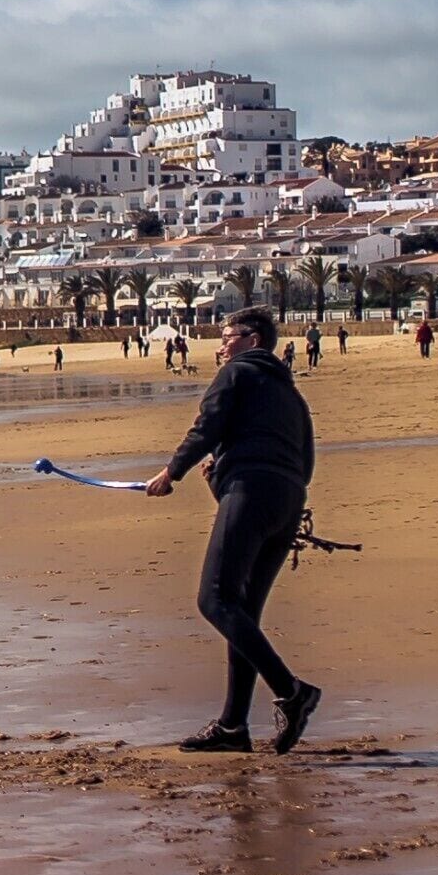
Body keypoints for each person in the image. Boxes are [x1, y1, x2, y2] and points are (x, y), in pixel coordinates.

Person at [144, 306, 323, 755]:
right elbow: (305, 460)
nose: (221, 345)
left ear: (253, 340)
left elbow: (207, 426)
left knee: (215, 599)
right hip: (286, 500)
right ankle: (232, 727)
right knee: (241, 613)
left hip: (254, 492)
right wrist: (225, 474)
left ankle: (292, 691)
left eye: (228, 336)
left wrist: (173, 472)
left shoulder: (237, 373)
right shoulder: (291, 395)